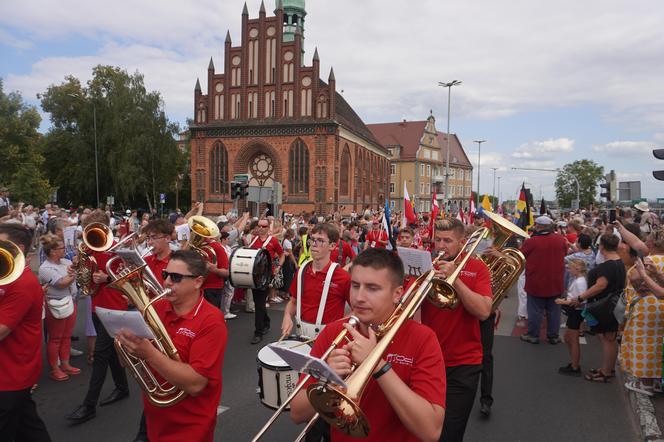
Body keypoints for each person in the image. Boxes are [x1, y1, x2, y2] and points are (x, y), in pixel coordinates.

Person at [290, 248, 446, 441]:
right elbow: (297, 413)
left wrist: (377, 364)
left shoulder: (423, 338)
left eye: (372, 288)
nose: (359, 297)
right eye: (355, 285)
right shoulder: (333, 332)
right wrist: (327, 379)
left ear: (397, 294)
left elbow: (430, 430)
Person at [117, 250, 227, 442]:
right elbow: (128, 362)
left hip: (191, 427)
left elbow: (196, 384)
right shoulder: (157, 308)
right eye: (165, 275)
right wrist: (127, 345)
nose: (167, 282)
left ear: (198, 282)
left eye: (176, 277)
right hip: (155, 420)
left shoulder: (211, 321)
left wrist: (149, 353)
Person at [421, 218, 492, 441]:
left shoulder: (477, 268)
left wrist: (455, 279)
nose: (441, 246)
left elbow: (483, 311)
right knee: (422, 429)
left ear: (462, 242)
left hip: (463, 364)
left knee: (450, 432)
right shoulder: (426, 265)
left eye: (448, 241)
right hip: (428, 361)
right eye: (438, 240)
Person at [67, 211, 130, 424]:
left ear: (104, 227)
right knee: (111, 353)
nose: (89, 234)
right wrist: (76, 266)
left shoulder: (116, 249)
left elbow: (129, 278)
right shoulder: (89, 247)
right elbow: (86, 272)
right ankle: (122, 388)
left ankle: (89, 405)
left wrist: (108, 277)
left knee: (101, 356)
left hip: (113, 308)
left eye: (91, 229)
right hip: (97, 305)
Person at [0, 224, 52, 441]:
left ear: (17, 248)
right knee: (29, 428)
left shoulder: (21, 282)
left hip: (10, 376)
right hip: (11, 374)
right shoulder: (9, 277)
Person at [281, 223, 351, 339]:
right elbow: (293, 302)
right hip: (301, 335)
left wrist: (340, 327)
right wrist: (287, 316)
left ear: (332, 246)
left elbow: (356, 310)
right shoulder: (302, 272)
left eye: (320, 241)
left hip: (329, 339)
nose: (314, 244)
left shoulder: (343, 277)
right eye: (312, 240)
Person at [572, 233, 626, 382]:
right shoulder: (619, 262)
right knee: (609, 338)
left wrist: (580, 297)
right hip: (612, 305)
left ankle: (606, 371)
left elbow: (600, 285)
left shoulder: (608, 266)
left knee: (607, 338)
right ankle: (607, 368)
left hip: (605, 306)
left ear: (601, 247)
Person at [519, 216, 568, 345]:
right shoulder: (560, 239)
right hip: (555, 281)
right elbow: (565, 253)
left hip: (536, 281)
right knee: (554, 311)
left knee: (535, 311)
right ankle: (553, 336)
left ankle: (533, 335)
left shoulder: (532, 241)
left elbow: (521, 256)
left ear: (539, 226)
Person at [38, 234, 80, 381]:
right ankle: (55, 368)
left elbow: (70, 276)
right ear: (53, 251)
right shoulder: (45, 268)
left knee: (67, 336)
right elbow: (62, 283)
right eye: (62, 248)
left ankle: (65, 364)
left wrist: (75, 266)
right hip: (55, 305)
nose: (65, 250)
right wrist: (74, 272)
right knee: (55, 338)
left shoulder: (65, 261)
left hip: (70, 301)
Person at [249, 218, 284, 344]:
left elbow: (282, 254)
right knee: (259, 302)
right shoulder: (252, 239)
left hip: (266, 275)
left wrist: (278, 267)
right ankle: (266, 321)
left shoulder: (273, 241)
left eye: (264, 226)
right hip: (254, 275)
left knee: (259, 302)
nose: (261, 228)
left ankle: (258, 332)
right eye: (259, 226)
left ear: (268, 228)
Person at [555, 259, 589, 376]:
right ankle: (574, 363)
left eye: (570, 268)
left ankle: (575, 366)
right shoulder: (578, 280)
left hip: (576, 312)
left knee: (573, 340)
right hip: (574, 312)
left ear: (577, 269)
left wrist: (563, 302)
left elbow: (581, 300)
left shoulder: (580, 282)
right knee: (568, 338)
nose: (568, 270)